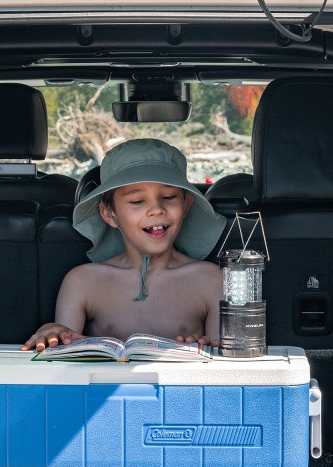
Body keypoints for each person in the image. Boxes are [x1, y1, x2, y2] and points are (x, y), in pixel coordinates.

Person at [23, 138, 226, 351]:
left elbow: (224, 367)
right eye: (137, 201)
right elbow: (63, 352)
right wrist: (53, 332)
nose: (157, 209)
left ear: (186, 205)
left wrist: (206, 350)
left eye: (168, 196)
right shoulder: (83, 282)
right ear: (109, 214)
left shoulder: (211, 280)